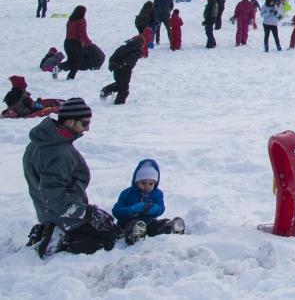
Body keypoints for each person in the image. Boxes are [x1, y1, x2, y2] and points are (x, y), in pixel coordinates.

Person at [24, 98, 121, 257]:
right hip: (63, 214)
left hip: (49, 211)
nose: (87, 128)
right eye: (84, 123)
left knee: (107, 225)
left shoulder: (40, 142)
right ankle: (60, 239)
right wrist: (86, 213)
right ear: (69, 122)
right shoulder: (59, 152)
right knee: (110, 236)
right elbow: (54, 197)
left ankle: (46, 229)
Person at [111, 159, 185, 245]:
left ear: (155, 183)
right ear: (136, 181)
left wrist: (155, 209)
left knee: (157, 225)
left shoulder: (157, 193)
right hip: (128, 222)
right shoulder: (127, 193)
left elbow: (161, 208)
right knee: (133, 226)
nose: (147, 186)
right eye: (143, 183)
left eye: (151, 184)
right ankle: (135, 236)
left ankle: (170, 228)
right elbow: (116, 211)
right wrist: (131, 210)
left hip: (149, 222)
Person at [100, 35, 143, 105]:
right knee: (124, 88)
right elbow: (131, 59)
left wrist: (112, 64)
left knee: (120, 85)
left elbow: (113, 57)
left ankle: (106, 90)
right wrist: (123, 65)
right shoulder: (137, 50)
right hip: (125, 71)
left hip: (116, 70)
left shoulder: (122, 48)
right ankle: (119, 103)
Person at [62, 6, 93, 80]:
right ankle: (70, 76)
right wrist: (89, 44)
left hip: (67, 42)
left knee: (71, 60)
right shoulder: (81, 21)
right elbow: (83, 34)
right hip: (75, 43)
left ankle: (59, 67)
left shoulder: (70, 20)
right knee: (78, 60)